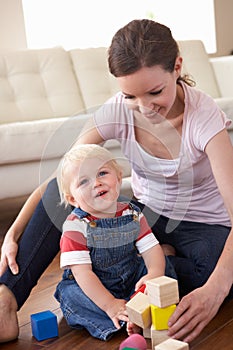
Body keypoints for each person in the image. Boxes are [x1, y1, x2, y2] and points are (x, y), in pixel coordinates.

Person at [0, 18, 233, 344]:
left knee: (215, 269)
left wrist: (216, 289)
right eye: (130, 96)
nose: (144, 108)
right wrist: (13, 232)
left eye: (155, 92)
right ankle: (6, 301)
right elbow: (61, 179)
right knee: (71, 192)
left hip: (203, 227)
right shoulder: (118, 111)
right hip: (144, 215)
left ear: (177, 66)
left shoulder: (204, 117)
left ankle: (151, 266)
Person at [54, 144, 174, 340]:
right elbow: (83, 273)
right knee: (72, 296)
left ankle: (138, 310)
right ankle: (126, 316)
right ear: (73, 199)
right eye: (84, 181)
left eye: (102, 173)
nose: (96, 183)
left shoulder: (132, 213)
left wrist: (153, 274)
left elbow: (151, 249)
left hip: (131, 277)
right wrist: (109, 303)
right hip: (93, 286)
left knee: (163, 268)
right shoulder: (75, 226)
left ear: (118, 178)